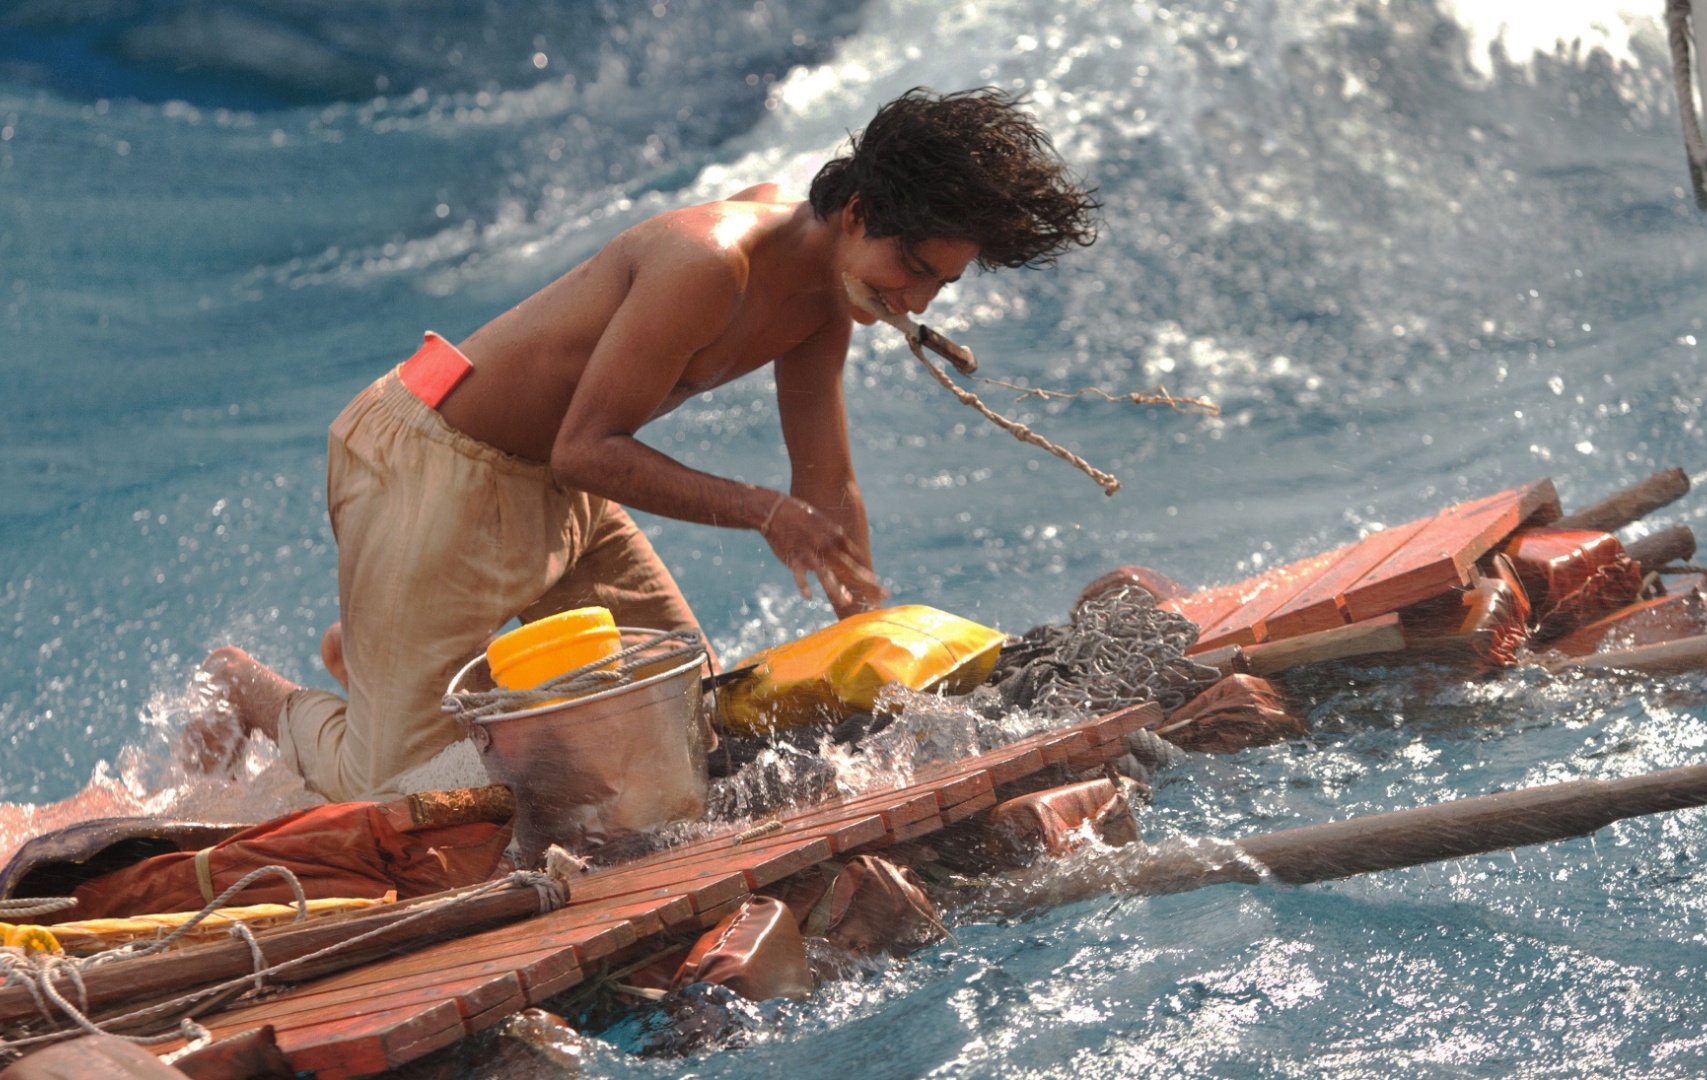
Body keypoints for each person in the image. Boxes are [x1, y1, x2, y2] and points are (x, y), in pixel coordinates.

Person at [196, 87, 1101, 802]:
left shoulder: (830, 298)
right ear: (859, 210)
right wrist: (761, 514)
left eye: (940, 283)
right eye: (914, 270)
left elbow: (826, 482)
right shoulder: (709, 262)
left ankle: (388, 649)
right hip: (432, 464)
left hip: (555, 493)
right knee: (396, 794)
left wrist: (877, 647)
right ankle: (258, 690)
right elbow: (586, 450)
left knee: (680, 727)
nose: (919, 302)